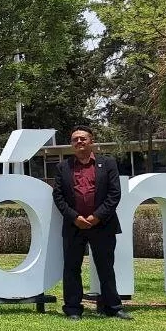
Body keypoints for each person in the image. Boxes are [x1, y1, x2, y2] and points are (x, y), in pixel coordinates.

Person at [52, 125, 127, 319]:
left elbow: (114, 194)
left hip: (102, 225)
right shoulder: (63, 167)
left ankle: (113, 307)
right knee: (71, 267)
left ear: (91, 141)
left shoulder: (107, 163)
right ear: (71, 144)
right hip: (74, 226)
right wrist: (74, 217)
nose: (79, 142)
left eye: (83, 139)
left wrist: (97, 217)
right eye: (75, 139)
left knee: (105, 266)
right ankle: (73, 309)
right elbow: (58, 196)